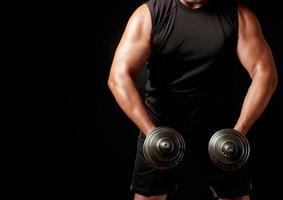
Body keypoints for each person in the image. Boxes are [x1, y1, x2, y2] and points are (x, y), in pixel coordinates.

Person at [107, 0, 278, 199]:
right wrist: (150, 132)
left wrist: (239, 131)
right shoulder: (149, 14)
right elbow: (118, 76)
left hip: (220, 133)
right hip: (161, 127)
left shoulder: (238, 15)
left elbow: (265, 74)